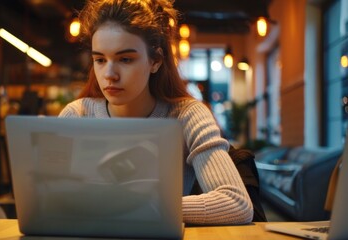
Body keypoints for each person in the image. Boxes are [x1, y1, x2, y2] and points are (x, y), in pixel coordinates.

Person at [59, 0, 253, 225]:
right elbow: (49, 199)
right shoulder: (77, 116)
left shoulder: (187, 116)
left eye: (125, 59)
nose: (109, 74)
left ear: (156, 61)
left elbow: (236, 203)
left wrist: (136, 205)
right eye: (100, 60)